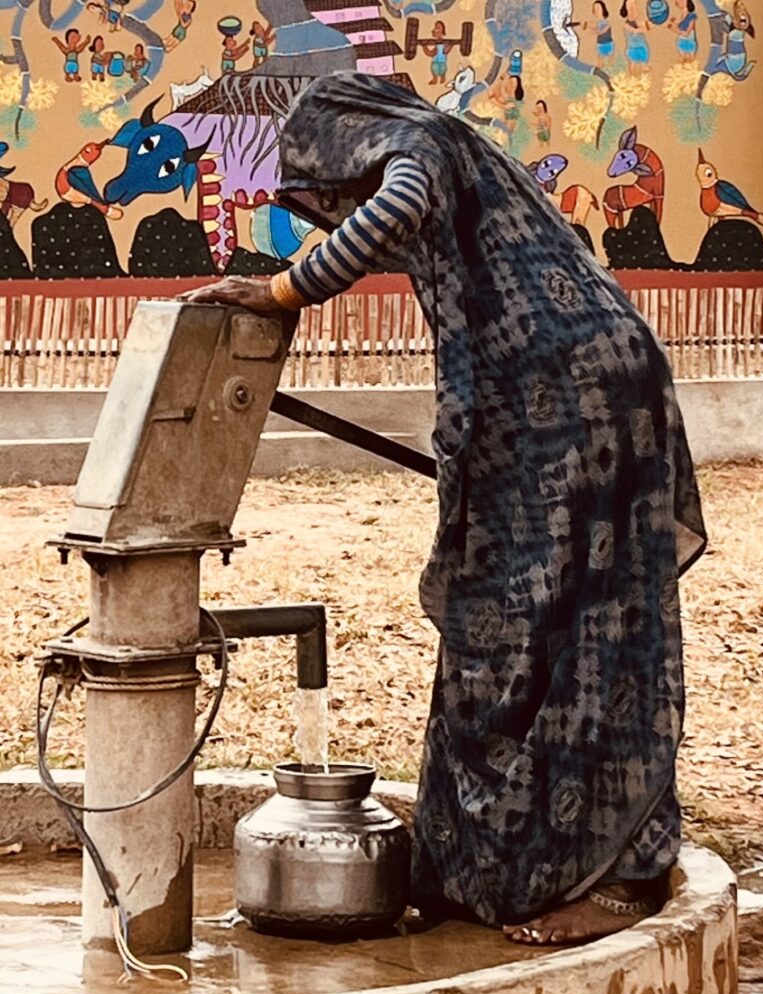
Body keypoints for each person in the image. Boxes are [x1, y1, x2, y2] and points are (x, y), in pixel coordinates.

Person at [180, 71, 706, 947]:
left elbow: (397, 204)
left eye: (335, 187)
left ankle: (623, 877)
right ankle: (490, 864)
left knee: (590, 622)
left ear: (344, 138)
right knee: (505, 616)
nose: (341, 205)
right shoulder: (462, 153)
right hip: (561, 387)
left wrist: (283, 291)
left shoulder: (419, 149)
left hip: (574, 394)